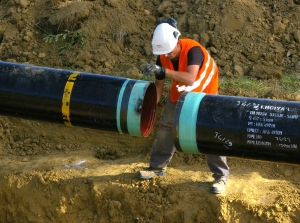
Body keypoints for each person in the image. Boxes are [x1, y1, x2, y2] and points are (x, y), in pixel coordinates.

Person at [138, 18, 229, 194]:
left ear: (177, 42)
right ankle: (157, 167)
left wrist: (163, 71)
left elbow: (190, 78)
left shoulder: (194, 50)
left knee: (211, 132)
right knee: (166, 126)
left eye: (169, 51)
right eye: (163, 52)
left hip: (206, 95)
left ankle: (221, 177)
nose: (166, 55)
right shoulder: (163, 56)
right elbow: (159, 85)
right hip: (180, 93)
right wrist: (150, 106)